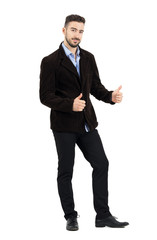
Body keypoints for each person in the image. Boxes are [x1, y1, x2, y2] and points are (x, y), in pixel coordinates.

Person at [39, 14, 129, 231]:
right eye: (73, 30)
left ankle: (103, 216)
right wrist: (69, 104)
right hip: (63, 126)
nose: (77, 35)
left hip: (87, 123)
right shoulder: (50, 61)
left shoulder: (88, 58)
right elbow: (45, 96)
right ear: (64, 31)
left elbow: (95, 87)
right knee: (66, 171)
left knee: (101, 164)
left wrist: (109, 96)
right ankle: (70, 216)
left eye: (80, 31)